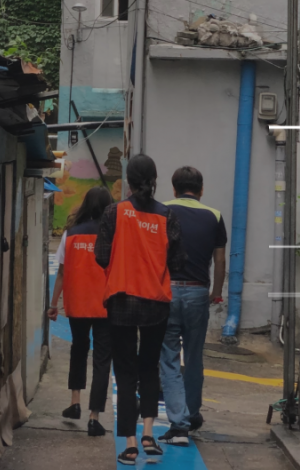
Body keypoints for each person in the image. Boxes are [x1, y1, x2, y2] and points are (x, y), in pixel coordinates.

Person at [95, 154, 185, 465]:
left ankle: (130, 443)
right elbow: (177, 262)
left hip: (121, 300)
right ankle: (148, 434)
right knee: (149, 367)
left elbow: (101, 256)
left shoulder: (114, 212)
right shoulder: (168, 216)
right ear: (155, 180)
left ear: (128, 182)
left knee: (124, 372)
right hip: (155, 303)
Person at [157, 166, 227, 447]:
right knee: (195, 357)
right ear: (201, 190)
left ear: (174, 189)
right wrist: (216, 293)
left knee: (169, 357)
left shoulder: (163, 212)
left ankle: (178, 424)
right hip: (199, 293)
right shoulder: (215, 216)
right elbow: (219, 260)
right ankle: (192, 413)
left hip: (168, 291)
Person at [47, 186, 114, 437]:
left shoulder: (71, 234)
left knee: (79, 349)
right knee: (102, 359)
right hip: (105, 305)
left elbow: (62, 273)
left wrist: (54, 304)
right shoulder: (113, 235)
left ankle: (75, 402)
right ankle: (94, 417)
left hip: (77, 304)